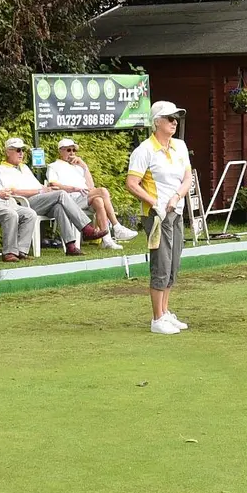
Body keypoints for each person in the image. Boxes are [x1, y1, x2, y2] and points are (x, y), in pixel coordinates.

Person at [126, 101, 194, 335]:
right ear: (157, 122)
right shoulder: (144, 150)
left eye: (176, 118)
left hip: (175, 211)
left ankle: (165, 312)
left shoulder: (180, 146)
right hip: (156, 216)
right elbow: (132, 184)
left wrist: (176, 198)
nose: (174, 122)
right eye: (169, 118)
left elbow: (187, 178)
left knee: (173, 263)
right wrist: (156, 203)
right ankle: (156, 318)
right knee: (161, 264)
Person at [0, 137, 99, 256]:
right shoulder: (2, 169)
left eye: (23, 150)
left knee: (58, 207)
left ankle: (70, 246)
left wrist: (48, 189)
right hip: (22, 203)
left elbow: (37, 185)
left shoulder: (23, 167)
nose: (21, 153)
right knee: (61, 193)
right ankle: (86, 228)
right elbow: (13, 192)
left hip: (38, 201)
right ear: (8, 152)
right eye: (18, 150)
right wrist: (40, 191)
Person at [46, 138, 137, 247]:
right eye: (69, 150)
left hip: (83, 197)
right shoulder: (53, 166)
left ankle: (107, 239)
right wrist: (74, 188)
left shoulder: (77, 167)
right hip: (68, 199)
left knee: (98, 200)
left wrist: (84, 166)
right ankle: (117, 226)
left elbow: (90, 187)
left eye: (74, 150)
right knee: (102, 191)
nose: (72, 153)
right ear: (60, 151)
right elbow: (53, 185)